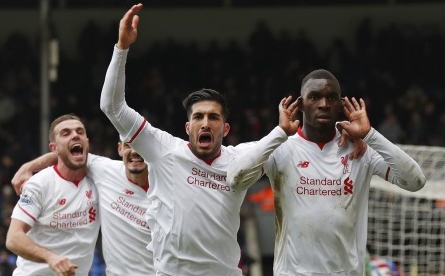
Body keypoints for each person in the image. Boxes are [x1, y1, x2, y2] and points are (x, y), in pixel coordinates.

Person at [100, 5, 366, 275]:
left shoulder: (241, 158)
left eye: (213, 117)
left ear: (225, 128)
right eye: (199, 117)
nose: (206, 123)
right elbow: (112, 107)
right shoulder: (164, 150)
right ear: (187, 127)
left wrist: (346, 137)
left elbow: (308, 144)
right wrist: (121, 48)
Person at [226, 69, 426, 275]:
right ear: (301, 104)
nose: (324, 104)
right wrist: (279, 133)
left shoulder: (361, 150)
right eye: (315, 97)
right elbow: (235, 179)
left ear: (340, 104)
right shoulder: (280, 147)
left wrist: (369, 135)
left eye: (331, 97)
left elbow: (415, 181)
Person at [11, 141, 156, 275]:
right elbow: (66, 156)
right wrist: (29, 167)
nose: (135, 151)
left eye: (141, 145)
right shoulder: (106, 170)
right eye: (128, 145)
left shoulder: (170, 189)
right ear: (120, 148)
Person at [5, 114, 100, 276]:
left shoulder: (100, 176)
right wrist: (50, 258)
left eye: (80, 132)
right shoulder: (39, 184)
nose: (75, 135)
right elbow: (13, 238)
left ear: (87, 141)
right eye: (66, 133)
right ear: (54, 148)